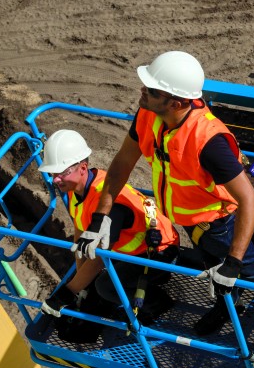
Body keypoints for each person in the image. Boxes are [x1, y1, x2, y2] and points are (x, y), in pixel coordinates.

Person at [73, 50, 254, 335]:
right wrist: (99, 219)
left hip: (221, 226)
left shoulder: (208, 142)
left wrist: (233, 262)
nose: (142, 91)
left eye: (152, 90)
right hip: (193, 225)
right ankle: (226, 306)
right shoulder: (148, 114)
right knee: (211, 267)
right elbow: (121, 164)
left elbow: (249, 200)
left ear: (177, 102)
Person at [39, 129, 179, 326]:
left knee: (105, 287)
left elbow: (99, 256)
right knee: (94, 283)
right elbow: (81, 234)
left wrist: (65, 295)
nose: (55, 179)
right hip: (135, 250)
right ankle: (151, 280)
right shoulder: (75, 189)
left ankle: (159, 303)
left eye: (61, 173)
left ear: (83, 167)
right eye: (52, 173)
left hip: (160, 250)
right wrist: (81, 282)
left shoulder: (108, 201)